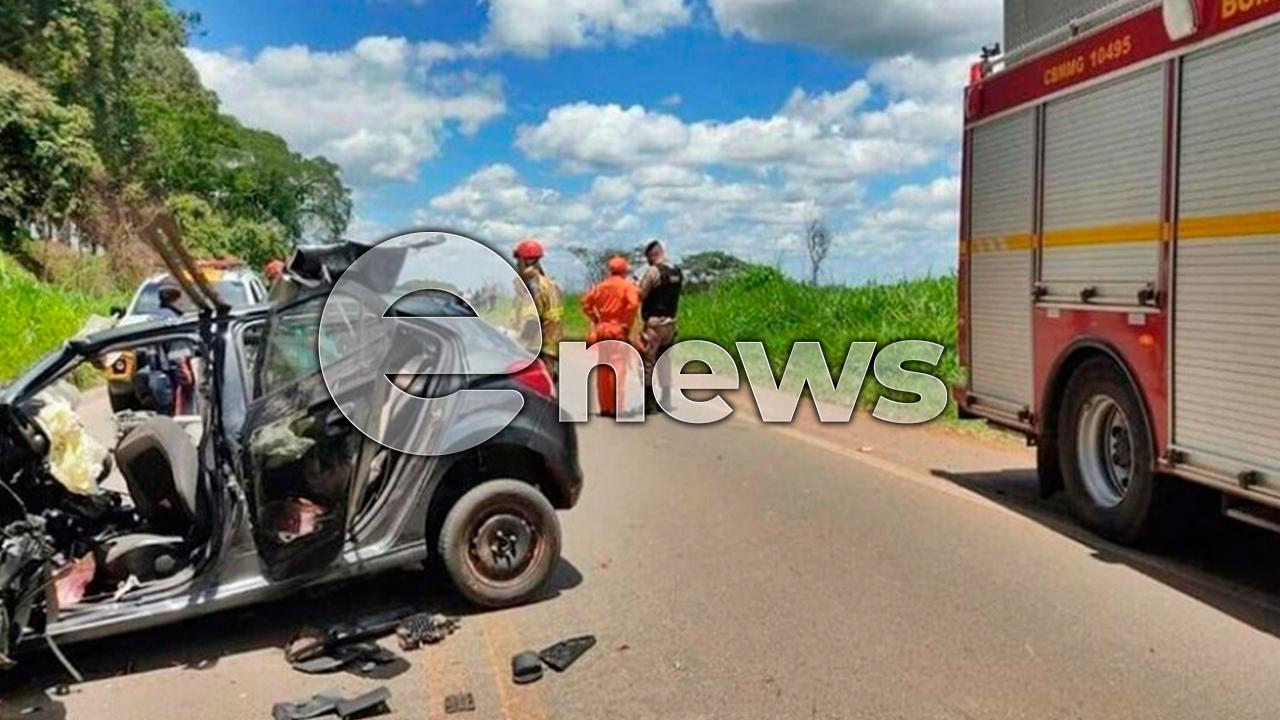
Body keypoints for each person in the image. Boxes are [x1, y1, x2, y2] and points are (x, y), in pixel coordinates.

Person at [581, 256, 641, 417]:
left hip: (602, 328)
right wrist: (626, 323)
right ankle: (617, 407)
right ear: (624, 270)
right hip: (617, 330)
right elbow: (633, 304)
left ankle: (605, 407)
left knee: (603, 368)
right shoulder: (627, 287)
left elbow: (585, 303)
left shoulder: (601, 286)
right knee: (618, 368)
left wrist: (596, 319)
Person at [637, 241, 683, 411]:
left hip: (654, 324)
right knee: (665, 362)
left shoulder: (653, 272)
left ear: (652, 255)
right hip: (671, 323)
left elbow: (640, 294)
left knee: (648, 362)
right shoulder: (677, 272)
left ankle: (649, 403)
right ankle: (666, 399)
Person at [511, 239, 565, 380]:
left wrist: (517, 342)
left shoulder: (531, 285)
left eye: (518, 261)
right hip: (550, 348)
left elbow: (531, 321)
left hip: (535, 348)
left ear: (524, 261)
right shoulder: (549, 283)